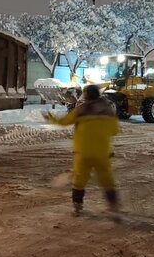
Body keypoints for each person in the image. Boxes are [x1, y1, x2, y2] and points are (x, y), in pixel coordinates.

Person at [43, 84, 120, 216]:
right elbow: (114, 131)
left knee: (79, 180)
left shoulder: (81, 109)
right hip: (102, 153)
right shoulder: (108, 110)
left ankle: (77, 206)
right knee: (106, 179)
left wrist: (51, 118)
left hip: (83, 152)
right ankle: (113, 204)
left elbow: (65, 121)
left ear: (86, 95)